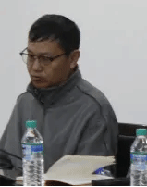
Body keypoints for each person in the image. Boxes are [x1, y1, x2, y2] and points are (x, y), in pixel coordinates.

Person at [0, 15, 118, 174]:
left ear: (73, 59)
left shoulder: (94, 110)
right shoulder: (25, 102)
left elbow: (96, 179)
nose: (35, 67)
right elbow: (4, 163)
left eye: (46, 59)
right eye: (31, 57)